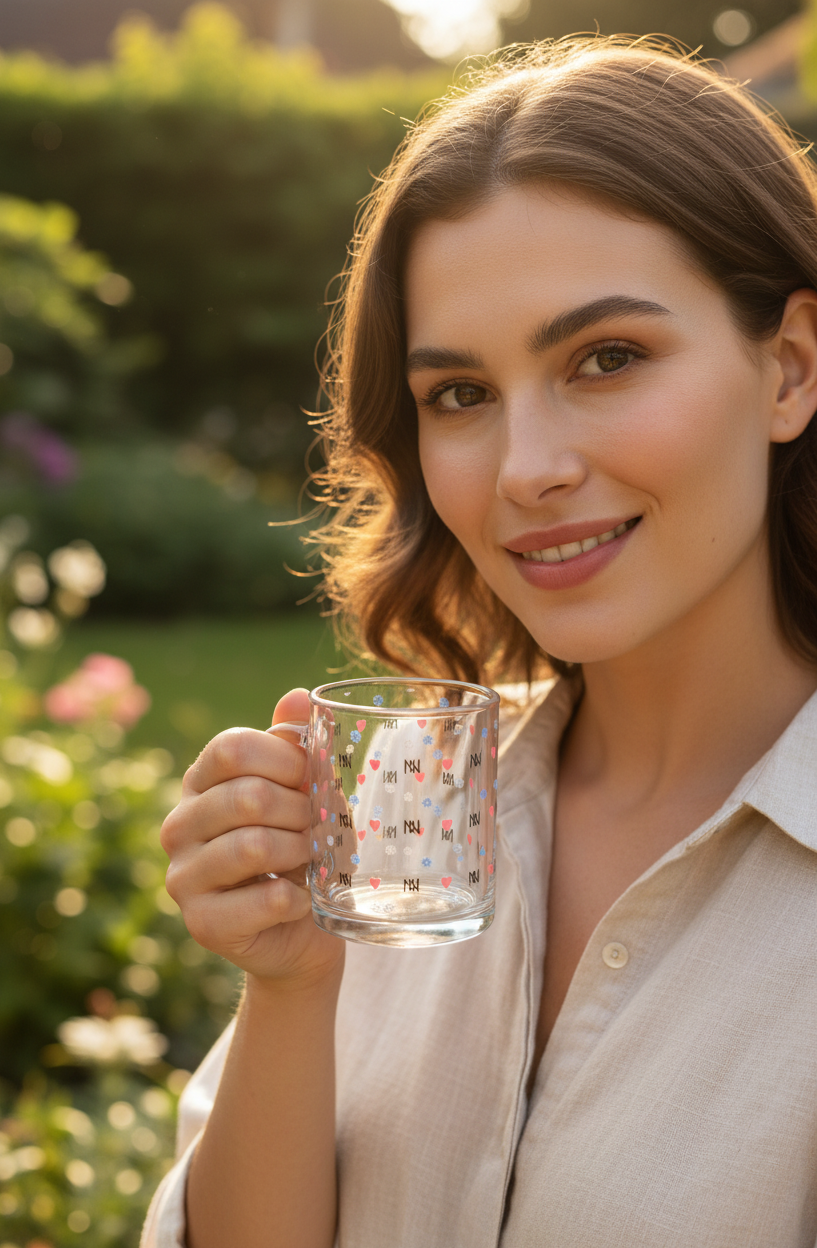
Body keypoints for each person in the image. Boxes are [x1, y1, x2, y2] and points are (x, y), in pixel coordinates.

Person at [142, 35, 817, 1248]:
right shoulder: (398, 812)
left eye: (606, 359)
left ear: (790, 369)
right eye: (459, 394)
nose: (525, 470)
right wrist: (289, 984)